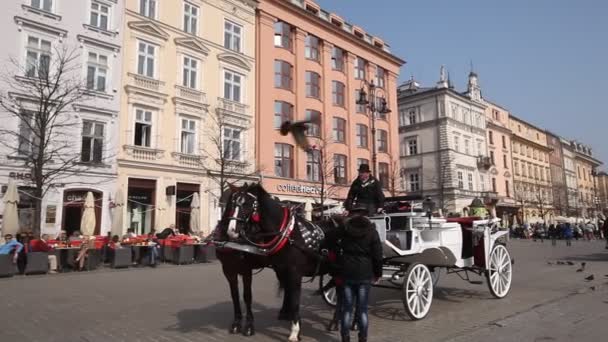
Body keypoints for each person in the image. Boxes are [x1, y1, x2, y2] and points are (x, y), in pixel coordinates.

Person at [336, 215, 383, 342]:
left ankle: (345, 338)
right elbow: (378, 256)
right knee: (362, 310)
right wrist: (378, 273)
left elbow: (337, 247)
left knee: (347, 309)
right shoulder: (372, 233)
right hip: (365, 274)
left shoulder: (346, 232)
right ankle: (362, 338)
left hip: (347, 273)